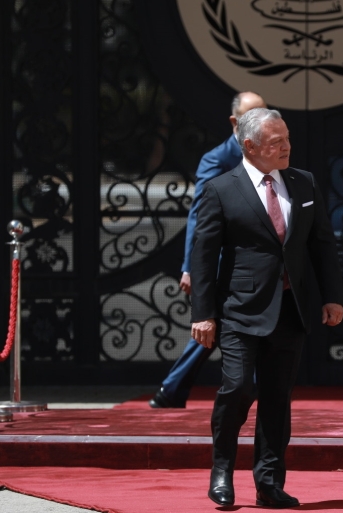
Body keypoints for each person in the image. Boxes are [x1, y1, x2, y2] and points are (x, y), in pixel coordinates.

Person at [190, 108, 343, 506]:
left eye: (287, 138)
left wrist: (332, 296)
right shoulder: (221, 189)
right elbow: (203, 257)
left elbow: (322, 244)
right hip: (240, 309)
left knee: (277, 398)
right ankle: (222, 470)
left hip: (291, 309)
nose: (287, 147)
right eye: (276, 142)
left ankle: (269, 483)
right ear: (250, 146)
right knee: (238, 387)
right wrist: (203, 314)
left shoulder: (304, 182)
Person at [149, 92, 266, 408]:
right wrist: (191, 267)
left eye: (264, 113)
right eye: (252, 116)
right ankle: (175, 389)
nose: (260, 121)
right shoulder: (218, 160)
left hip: (255, 262)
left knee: (221, 328)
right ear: (234, 122)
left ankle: (172, 391)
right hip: (223, 263)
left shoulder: (270, 155)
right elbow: (200, 217)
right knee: (215, 326)